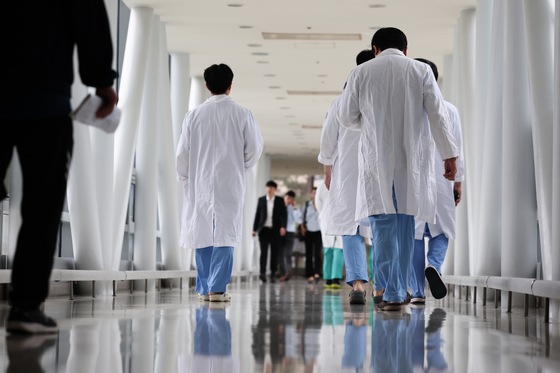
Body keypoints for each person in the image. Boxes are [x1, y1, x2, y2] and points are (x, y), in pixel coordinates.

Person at [1, 0, 118, 334]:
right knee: (43, 205)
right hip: (44, 100)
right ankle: (25, 306)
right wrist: (102, 81)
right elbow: (88, 16)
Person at [338, 27, 459, 311]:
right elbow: (438, 115)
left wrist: (367, 124)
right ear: (405, 50)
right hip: (411, 163)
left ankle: (385, 291)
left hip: (376, 161)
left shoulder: (360, 73)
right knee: (406, 228)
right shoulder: (421, 71)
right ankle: (396, 291)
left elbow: (346, 116)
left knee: (381, 229)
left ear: (375, 48)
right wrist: (449, 155)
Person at [177, 63, 264, 302]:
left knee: (202, 233)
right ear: (230, 86)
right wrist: (243, 167)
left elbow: (182, 154)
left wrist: (186, 179)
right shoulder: (243, 114)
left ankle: (205, 288)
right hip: (230, 182)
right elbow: (255, 149)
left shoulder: (193, 115)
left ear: (206, 86)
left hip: (200, 182)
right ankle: (217, 288)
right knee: (225, 234)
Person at [318, 49, 374, 304]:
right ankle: (384, 285)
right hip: (378, 170)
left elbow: (329, 140)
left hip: (348, 171)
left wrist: (328, 170)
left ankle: (359, 285)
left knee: (351, 229)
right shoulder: (383, 97)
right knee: (380, 227)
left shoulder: (341, 101)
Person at [410, 59, 464, 304]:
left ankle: (418, 292)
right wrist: (459, 181)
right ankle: (434, 265)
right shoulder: (449, 109)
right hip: (443, 177)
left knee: (414, 235)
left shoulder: (407, 107)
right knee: (443, 229)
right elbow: (457, 148)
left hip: (413, 179)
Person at [252, 180, 287, 283]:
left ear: (275, 189)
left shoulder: (280, 201)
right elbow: (257, 215)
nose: (269, 189)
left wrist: (283, 227)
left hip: (275, 231)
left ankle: (272, 274)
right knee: (263, 253)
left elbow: (284, 215)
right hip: (263, 230)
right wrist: (254, 229)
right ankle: (262, 273)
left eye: (271, 187)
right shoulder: (261, 200)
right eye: (267, 187)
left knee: (274, 253)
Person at [315, 181, 344, 289]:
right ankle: (333, 278)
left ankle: (330, 278)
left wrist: (323, 213)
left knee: (333, 249)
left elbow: (319, 204)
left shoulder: (322, 185)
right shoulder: (340, 182)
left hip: (330, 219)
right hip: (331, 219)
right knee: (335, 249)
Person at [279, 190, 302, 282]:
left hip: (290, 233)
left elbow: (299, 220)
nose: (289, 200)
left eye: (291, 198)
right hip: (280, 233)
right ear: (284, 197)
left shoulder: (294, 208)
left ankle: (288, 272)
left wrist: (295, 208)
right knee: (280, 254)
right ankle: (283, 273)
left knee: (288, 253)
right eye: (287, 197)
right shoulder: (280, 207)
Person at [301, 187, 322, 283]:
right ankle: (309, 274)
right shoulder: (306, 205)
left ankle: (317, 273)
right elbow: (301, 218)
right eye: (313, 193)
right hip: (308, 231)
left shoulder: (321, 204)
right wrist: (302, 228)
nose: (314, 195)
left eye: (316, 193)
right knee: (308, 253)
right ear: (311, 194)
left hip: (319, 231)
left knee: (318, 253)